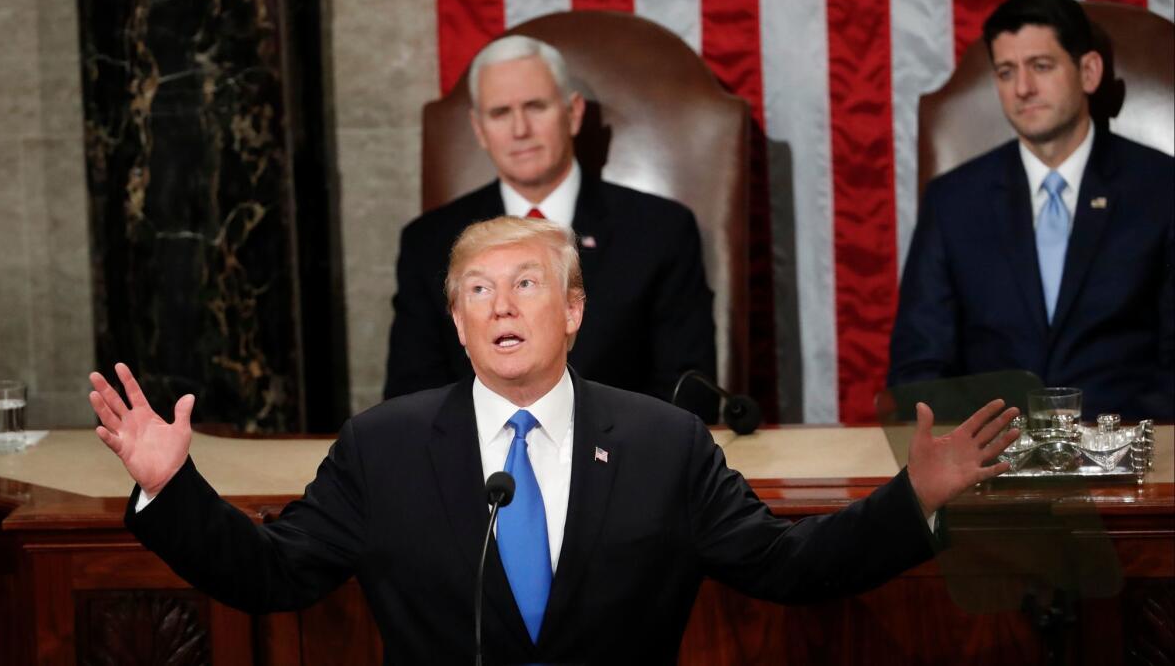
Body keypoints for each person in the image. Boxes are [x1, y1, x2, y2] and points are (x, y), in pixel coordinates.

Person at [90, 217, 1019, 664]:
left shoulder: (665, 442)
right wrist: (171, 491)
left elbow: (785, 564)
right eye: (478, 291)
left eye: (526, 284)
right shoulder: (383, 446)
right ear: (456, 324)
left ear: (572, 309)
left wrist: (914, 503)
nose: (501, 304)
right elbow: (274, 575)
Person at [385, 34, 719, 422]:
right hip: (475, 468)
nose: (520, 129)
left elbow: (688, 391)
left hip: (622, 464)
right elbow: (411, 396)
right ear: (479, 129)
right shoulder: (429, 242)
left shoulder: (660, 230)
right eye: (500, 113)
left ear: (573, 113)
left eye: (535, 106)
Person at [888, 0, 1174, 421]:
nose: (1022, 88)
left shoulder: (1162, 188)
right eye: (1006, 72)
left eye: (1041, 66)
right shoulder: (953, 202)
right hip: (992, 466)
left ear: (1089, 72)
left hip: (1129, 461)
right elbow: (919, 369)